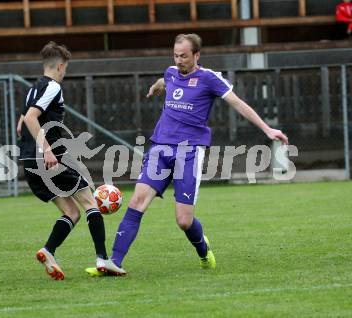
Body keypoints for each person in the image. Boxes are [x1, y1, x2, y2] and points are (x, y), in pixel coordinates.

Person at [86, 33, 289, 277]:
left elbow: (238, 103)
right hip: (160, 147)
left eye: (184, 56)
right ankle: (114, 262)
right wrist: (156, 86)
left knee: (183, 220)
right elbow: (166, 80)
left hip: (189, 152)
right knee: (137, 202)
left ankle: (203, 250)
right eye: (176, 55)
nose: (179, 60)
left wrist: (267, 128)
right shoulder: (171, 72)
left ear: (196, 55)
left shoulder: (209, 79)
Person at [19, 41, 124, 280]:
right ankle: (103, 259)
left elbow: (23, 120)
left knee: (71, 212)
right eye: (65, 68)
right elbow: (31, 118)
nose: (65, 72)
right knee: (90, 202)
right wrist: (47, 150)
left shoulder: (32, 88)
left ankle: (48, 251)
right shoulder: (53, 87)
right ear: (60, 66)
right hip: (47, 157)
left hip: (29, 160)